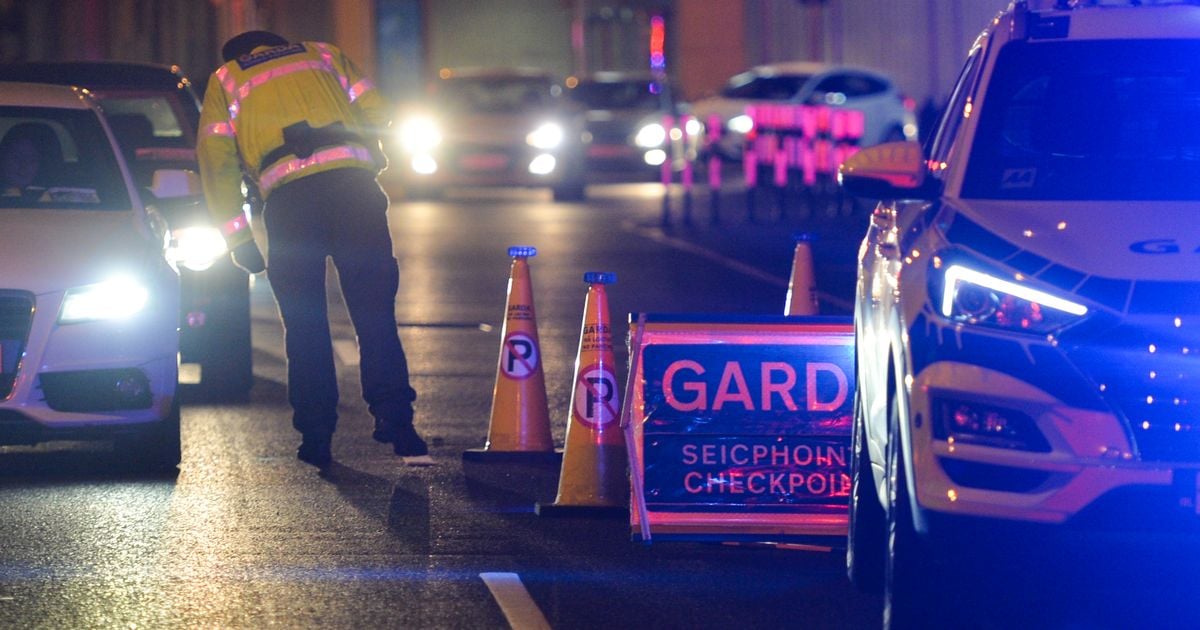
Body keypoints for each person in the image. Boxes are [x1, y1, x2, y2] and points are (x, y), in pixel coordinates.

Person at [196, 30, 427, 468]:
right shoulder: (324, 54)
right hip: (354, 193)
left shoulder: (226, 80)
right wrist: (370, 153)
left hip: (290, 205)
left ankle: (317, 435)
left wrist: (238, 238)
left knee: (305, 324)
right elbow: (380, 111)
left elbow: (217, 161)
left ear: (241, 56)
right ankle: (398, 422)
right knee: (374, 313)